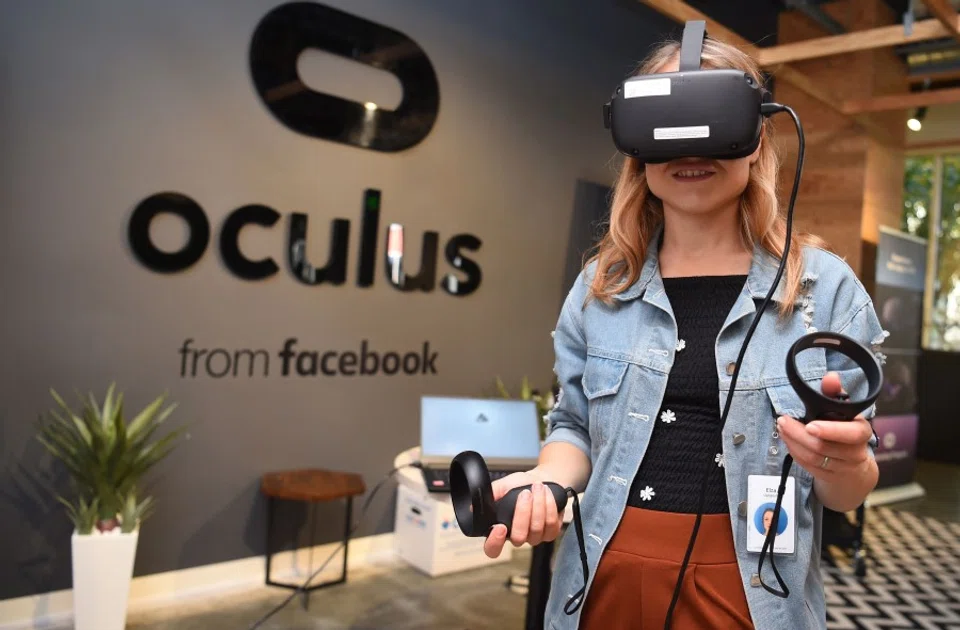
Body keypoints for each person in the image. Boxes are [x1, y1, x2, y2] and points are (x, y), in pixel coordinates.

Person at [482, 34, 886, 630]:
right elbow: (573, 426)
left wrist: (841, 463)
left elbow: (848, 492)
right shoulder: (602, 286)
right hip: (601, 578)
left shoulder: (821, 292)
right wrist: (545, 480)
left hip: (749, 589)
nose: (690, 148)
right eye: (667, 122)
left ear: (755, 140)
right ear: (637, 147)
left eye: (712, 121)